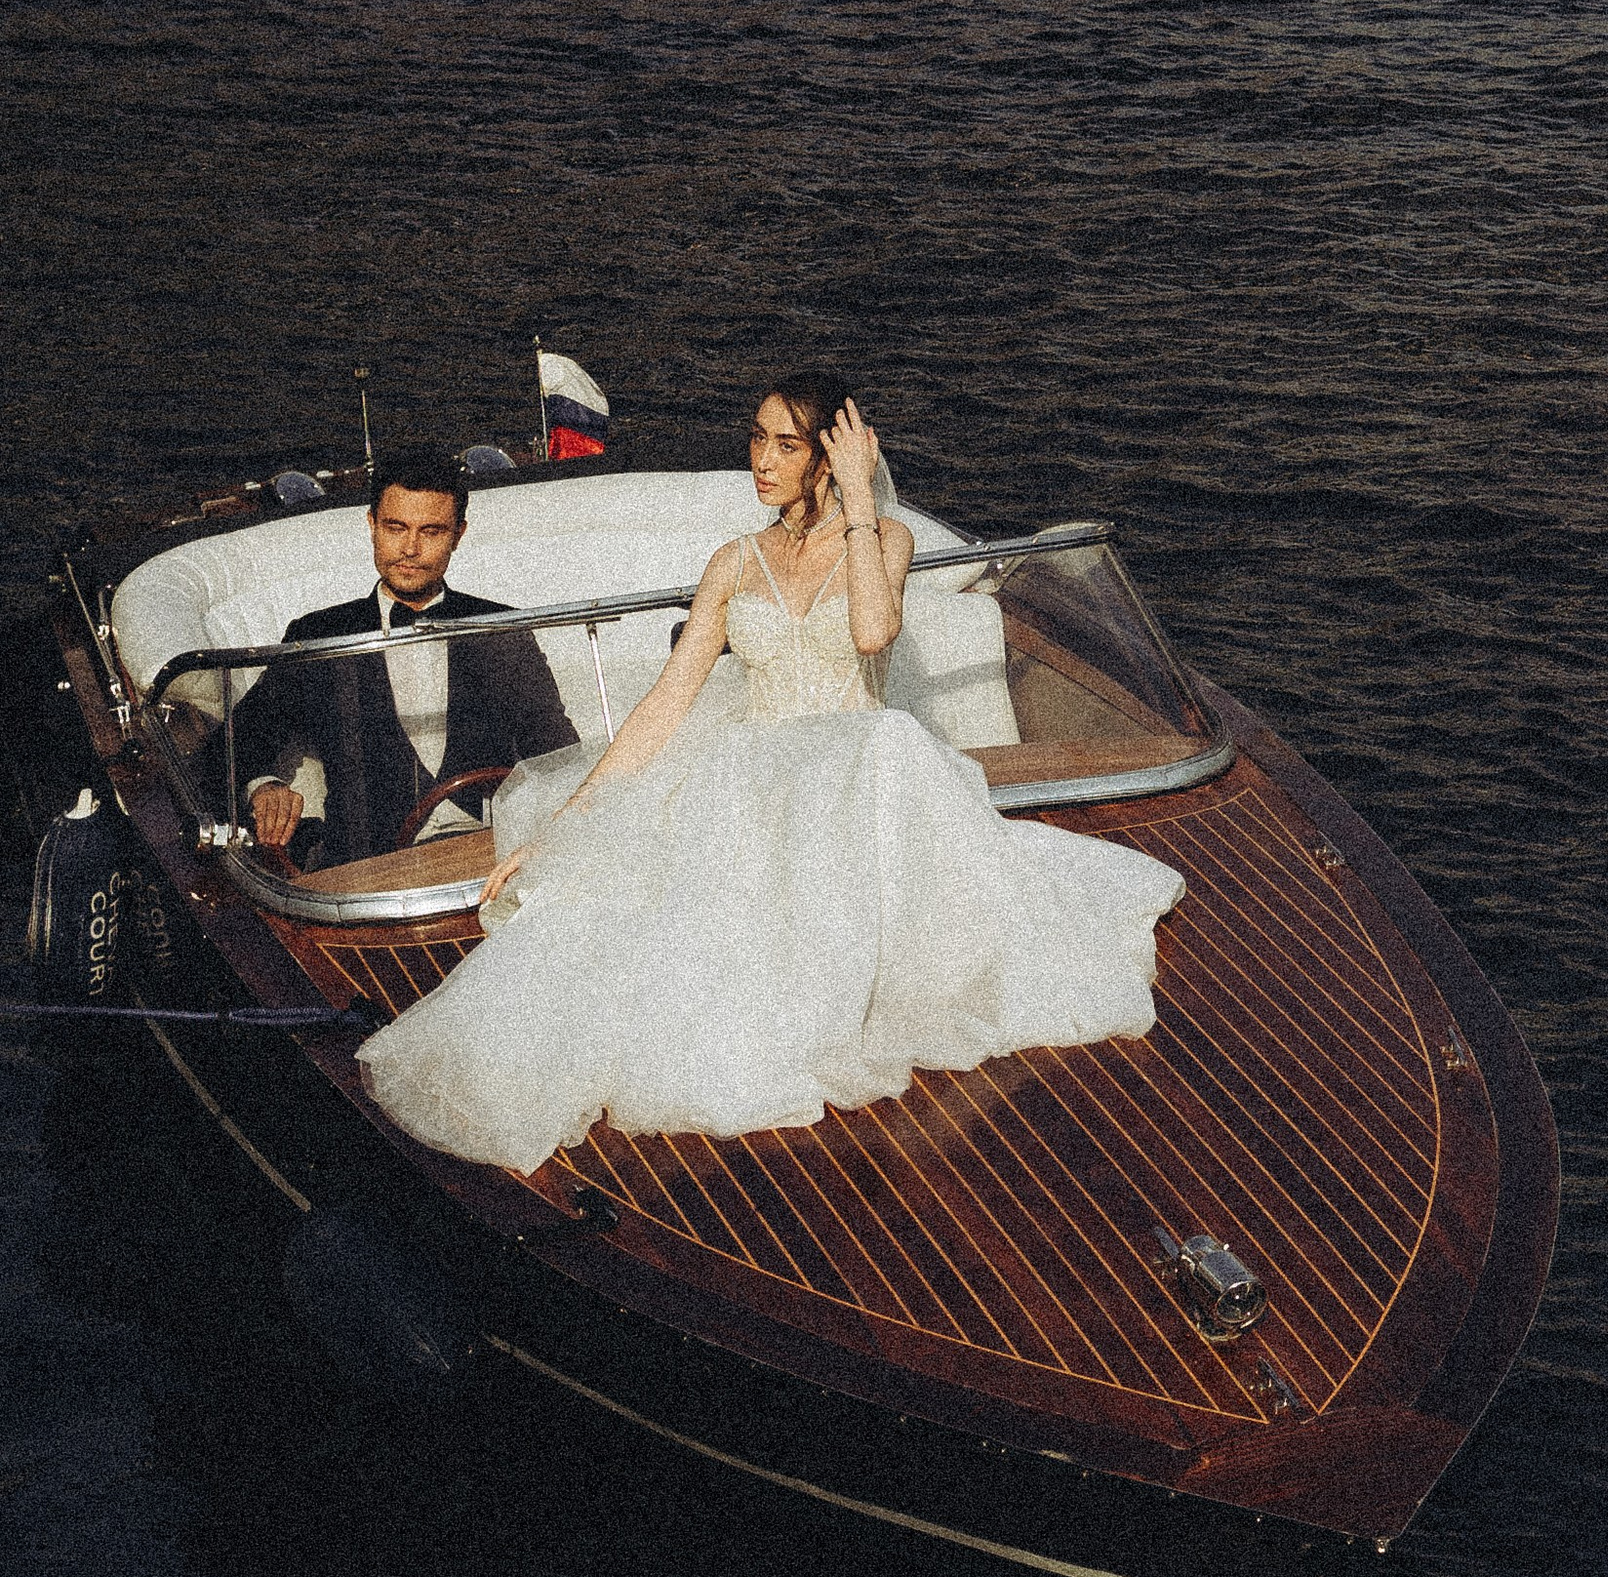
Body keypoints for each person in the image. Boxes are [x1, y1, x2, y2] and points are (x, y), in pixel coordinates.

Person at [354, 374, 1185, 1173]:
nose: (760, 459)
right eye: (757, 439)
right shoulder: (733, 562)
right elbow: (665, 705)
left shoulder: (884, 540)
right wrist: (564, 828)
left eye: (785, 445)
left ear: (829, 459)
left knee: (886, 765)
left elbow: (869, 635)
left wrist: (860, 501)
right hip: (752, 786)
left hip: (862, 781)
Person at [234, 450, 576, 872]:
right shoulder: (318, 635)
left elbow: (555, 750)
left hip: (491, 863)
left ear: (458, 534)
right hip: (364, 873)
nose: (410, 549)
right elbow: (236, 742)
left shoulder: (499, 628)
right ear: (372, 524)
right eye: (396, 528)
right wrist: (264, 787)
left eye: (431, 532)